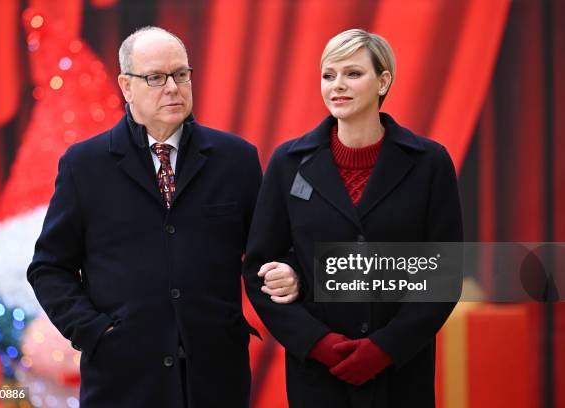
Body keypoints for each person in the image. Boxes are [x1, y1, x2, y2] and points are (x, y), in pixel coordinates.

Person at [27, 26, 300, 408]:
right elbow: (49, 268)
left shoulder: (235, 158)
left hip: (216, 377)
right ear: (126, 85)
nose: (172, 87)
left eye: (181, 74)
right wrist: (94, 331)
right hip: (122, 379)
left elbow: (269, 249)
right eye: (155, 77)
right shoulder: (84, 165)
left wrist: (286, 269)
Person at [243, 28, 463, 407]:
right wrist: (318, 344)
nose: (337, 86)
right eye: (329, 75)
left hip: (401, 374)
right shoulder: (287, 162)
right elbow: (259, 268)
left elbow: (443, 274)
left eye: (353, 74)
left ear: (383, 81)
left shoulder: (430, 162)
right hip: (317, 376)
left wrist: (386, 348)